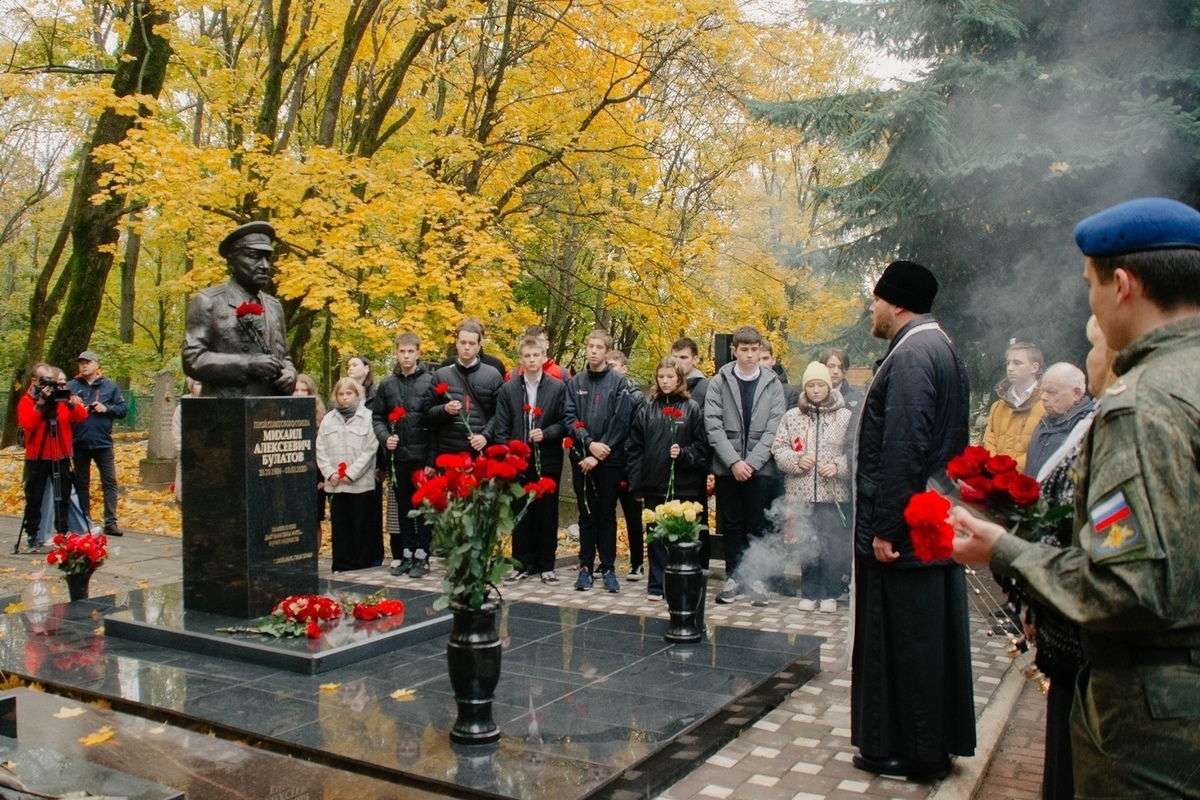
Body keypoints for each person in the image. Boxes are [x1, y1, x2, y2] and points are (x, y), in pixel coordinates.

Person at [951, 197, 1200, 798]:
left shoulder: (1143, 405)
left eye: (1089, 285)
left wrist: (1006, 550)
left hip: (1155, 729)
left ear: (1122, 285)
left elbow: (1127, 587)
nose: (1088, 300)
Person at [850, 259, 974, 781]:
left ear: (897, 303)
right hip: (926, 523)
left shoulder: (914, 353)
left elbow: (904, 445)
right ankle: (924, 744)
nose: (872, 309)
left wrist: (885, 529)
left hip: (906, 533)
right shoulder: (936, 345)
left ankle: (910, 751)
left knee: (904, 642)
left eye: (877, 299)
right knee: (921, 639)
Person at [1006, 326, 1110, 800]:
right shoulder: (1056, 427)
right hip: (1061, 618)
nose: (1093, 356)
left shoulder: (1103, 427)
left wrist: (1008, 553)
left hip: (1083, 626)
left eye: (1096, 345)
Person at [705, 325, 786, 607]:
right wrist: (734, 462)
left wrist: (750, 463)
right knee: (732, 524)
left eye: (755, 350)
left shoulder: (773, 383)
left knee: (758, 523)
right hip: (728, 467)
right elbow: (713, 425)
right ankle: (734, 578)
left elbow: (775, 428)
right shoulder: (720, 381)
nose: (750, 356)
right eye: (745, 350)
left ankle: (757, 580)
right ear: (735, 350)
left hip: (760, 467)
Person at [771, 362, 852, 612]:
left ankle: (829, 592)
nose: (816, 390)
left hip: (833, 493)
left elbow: (854, 451)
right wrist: (796, 461)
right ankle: (809, 591)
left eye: (820, 385)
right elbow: (779, 448)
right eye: (811, 386)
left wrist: (838, 467)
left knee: (830, 542)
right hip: (801, 493)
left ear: (829, 386)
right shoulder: (792, 416)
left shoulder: (845, 417)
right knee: (806, 541)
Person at [181, 221, 296, 396]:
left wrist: (290, 373)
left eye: (267, 258)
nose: (265, 265)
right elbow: (192, 359)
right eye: (254, 256)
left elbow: (284, 355)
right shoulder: (208, 301)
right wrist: (247, 364)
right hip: (226, 410)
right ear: (232, 261)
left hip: (270, 411)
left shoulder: (274, 306)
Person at [627, 356, 708, 601]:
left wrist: (684, 454)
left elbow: (702, 447)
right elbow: (635, 448)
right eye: (661, 377)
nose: (665, 381)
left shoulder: (691, 408)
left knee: (682, 537)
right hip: (654, 483)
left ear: (679, 378)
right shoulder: (647, 409)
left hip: (684, 486)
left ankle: (682, 583)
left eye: (670, 377)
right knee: (657, 536)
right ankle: (656, 584)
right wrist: (636, 483)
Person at [487, 335, 567, 582]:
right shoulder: (509, 388)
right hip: (518, 460)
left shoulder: (557, 387)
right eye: (527, 356)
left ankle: (547, 565)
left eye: (536, 356)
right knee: (520, 512)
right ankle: (523, 564)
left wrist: (546, 433)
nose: (532, 360)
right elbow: (501, 425)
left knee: (546, 513)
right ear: (520, 359)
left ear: (544, 358)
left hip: (548, 458)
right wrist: (509, 452)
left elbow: (565, 422)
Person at [563, 329, 633, 593]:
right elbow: (570, 418)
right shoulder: (575, 383)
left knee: (606, 513)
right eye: (590, 346)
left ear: (607, 351)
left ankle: (609, 568)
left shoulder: (618, 383)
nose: (593, 351)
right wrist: (588, 445)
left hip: (610, 459)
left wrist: (601, 450)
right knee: (587, 513)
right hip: (582, 458)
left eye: (598, 347)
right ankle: (585, 567)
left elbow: (621, 419)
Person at [372, 332, 435, 578]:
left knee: (424, 506)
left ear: (418, 353)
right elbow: (377, 417)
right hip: (398, 458)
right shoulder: (387, 384)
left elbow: (435, 422)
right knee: (404, 506)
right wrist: (385, 436)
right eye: (402, 351)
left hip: (422, 458)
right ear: (397, 353)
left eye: (411, 351)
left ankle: (423, 554)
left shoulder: (430, 381)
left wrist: (432, 459)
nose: (406, 356)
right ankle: (407, 552)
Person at [18, 363, 88, 552]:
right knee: (35, 498)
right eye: (45, 381)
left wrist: (70, 402)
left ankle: (62, 533)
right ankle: (33, 536)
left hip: (61, 454)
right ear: (35, 381)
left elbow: (81, 416)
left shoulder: (62, 398)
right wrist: (40, 404)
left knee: (63, 497)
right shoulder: (28, 400)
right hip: (37, 457)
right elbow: (27, 423)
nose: (50, 386)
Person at [316, 378, 382, 572]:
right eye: (341, 394)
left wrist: (352, 473)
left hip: (360, 483)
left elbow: (371, 448)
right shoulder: (329, 419)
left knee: (361, 525)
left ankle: (361, 565)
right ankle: (342, 564)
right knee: (340, 526)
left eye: (349, 394)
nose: (345, 398)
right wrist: (329, 473)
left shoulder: (368, 417)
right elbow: (320, 448)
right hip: (336, 483)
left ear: (357, 394)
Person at [66, 350, 127, 536]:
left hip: (103, 442)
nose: (84, 365)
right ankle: (85, 521)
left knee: (109, 481)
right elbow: (62, 413)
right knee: (81, 483)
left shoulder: (110, 386)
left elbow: (123, 410)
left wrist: (105, 408)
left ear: (96, 365)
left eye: (88, 362)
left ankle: (110, 521)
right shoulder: (71, 386)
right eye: (81, 362)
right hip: (79, 442)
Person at [427, 318, 504, 457]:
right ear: (456, 343)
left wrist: (485, 436)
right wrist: (444, 409)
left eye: (472, 343)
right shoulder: (441, 374)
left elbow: (501, 413)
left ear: (479, 346)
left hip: (480, 453)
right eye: (463, 342)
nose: (467, 347)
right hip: (449, 452)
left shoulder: (493, 375)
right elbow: (427, 413)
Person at [671, 336, 712, 568]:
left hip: (693, 463)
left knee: (695, 518)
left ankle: (699, 567)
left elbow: (706, 429)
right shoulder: (665, 384)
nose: (678, 362)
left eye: (683, 358)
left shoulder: (704, 388)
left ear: (695, 359)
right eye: (674, 357)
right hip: (667, 465)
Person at [606, 350, 646, 581]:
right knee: (607, 514)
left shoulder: (636, 397)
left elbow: (637, 434)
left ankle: (637, 563)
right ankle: (607, 561)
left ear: (624, 368)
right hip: (608, 462)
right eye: (607, 366)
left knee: (633, 516)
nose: (610, 369)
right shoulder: (604, 393)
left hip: (629, 463)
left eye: (614, 365)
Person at [1022, 362, 1093, 479]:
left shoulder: (1087, 425)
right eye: (1043, 391)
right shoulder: (1044, 423)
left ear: (1076, 393)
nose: (1043, 397)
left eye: (1052, 392)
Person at [982, 341, 1046, 471]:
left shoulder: (1046, 406)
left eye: (1017, 363)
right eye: (1008, 363)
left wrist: (1010, 471)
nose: (1010, 368)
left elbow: (1042, 448)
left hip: (1027, 484)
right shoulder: (997, 406)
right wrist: (996, 469)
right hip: (996, 480)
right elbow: (988, 442)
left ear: (1035, 367)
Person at [291, 374, 326, 543]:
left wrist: (322, 477)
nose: (299, 394)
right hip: (291, 475)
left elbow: (324, 449)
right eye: (295, 390)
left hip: (315, 477)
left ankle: (316, 559)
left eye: (303, 390)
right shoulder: (282, 412)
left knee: (313, 520)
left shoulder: (321, 417)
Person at [172, 377, 204, 503]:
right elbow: (176, 434)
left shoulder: (214, 405)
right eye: (198, 384)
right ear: (191, 387)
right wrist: (189, 452)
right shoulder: (182, 408)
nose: (201, 388)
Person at [506, 324, 570, 381]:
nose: (536, 345)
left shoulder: (562, 374)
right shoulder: (513, 376)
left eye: (540, 341)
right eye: (532, 342)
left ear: (547, 344)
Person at [819, 347, 863, 415]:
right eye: (831, 366)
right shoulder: (813, 396)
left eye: (840, 367)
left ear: (845, 369)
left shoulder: (858, 398)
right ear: (822, 367)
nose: (836, 371)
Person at [760, 340, 799, 408]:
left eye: (765, 358)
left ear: (773, 360)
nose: (761, 364)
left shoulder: (789, 393)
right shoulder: (742, 388)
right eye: (757, 360)